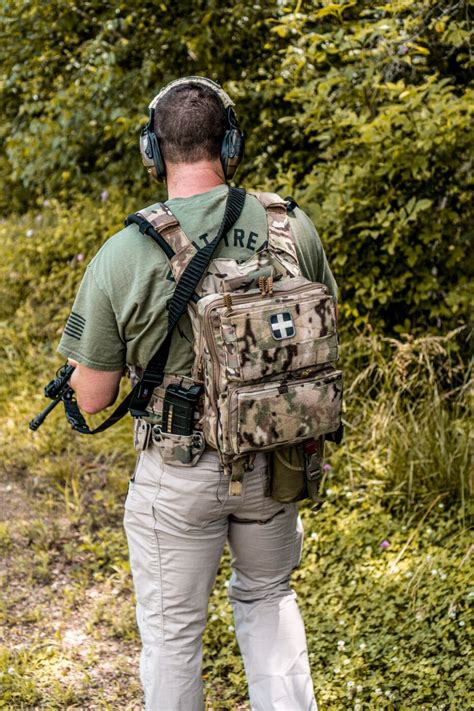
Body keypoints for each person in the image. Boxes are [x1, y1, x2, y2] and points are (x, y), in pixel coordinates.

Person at [58, 76, 337, 711]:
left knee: (173, 635)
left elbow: (94, 396)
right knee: (269, 599)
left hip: (178, 474)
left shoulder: (123, 254)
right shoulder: (292, 229)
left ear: (152, 152)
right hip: (275, 462)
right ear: (230, 144)